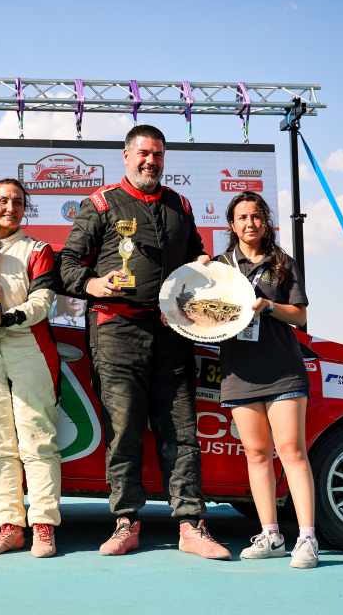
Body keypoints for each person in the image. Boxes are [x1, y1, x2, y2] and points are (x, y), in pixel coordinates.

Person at [58, 124, 232, 560]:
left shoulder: (180, 205)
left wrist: (202, 264)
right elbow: (66, 265)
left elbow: (194, 255)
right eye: (143, 153)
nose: (150, 161)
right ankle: (125, 521)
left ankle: (191, 524)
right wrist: (93, 284)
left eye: (157, 154)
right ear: (126, 156)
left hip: (174, 333)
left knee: (182, 431)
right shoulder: (100, 204)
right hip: (117, 332)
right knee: (123, 432)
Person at [214, 191, 318, 569]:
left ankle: (307, 538)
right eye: (242, 217)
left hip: (282, 370)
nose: (250, 223)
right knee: (257, 455)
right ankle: (270, 535)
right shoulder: (220, 266)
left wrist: (270, 306)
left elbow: (300, 317)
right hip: (239, 372)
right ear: (232, 224)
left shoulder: (281, 262)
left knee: (291, 451)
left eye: (256, 216)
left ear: (266, 221)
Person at [0, 179, 62, 558]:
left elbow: (42, 301)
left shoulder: (38, 250)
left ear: (25, 208)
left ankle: (43, 525)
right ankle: (9, 527)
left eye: (17, 202)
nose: (10, 207)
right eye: (2, 201)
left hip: (28, 345)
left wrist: (4, 318)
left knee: (37, 438)